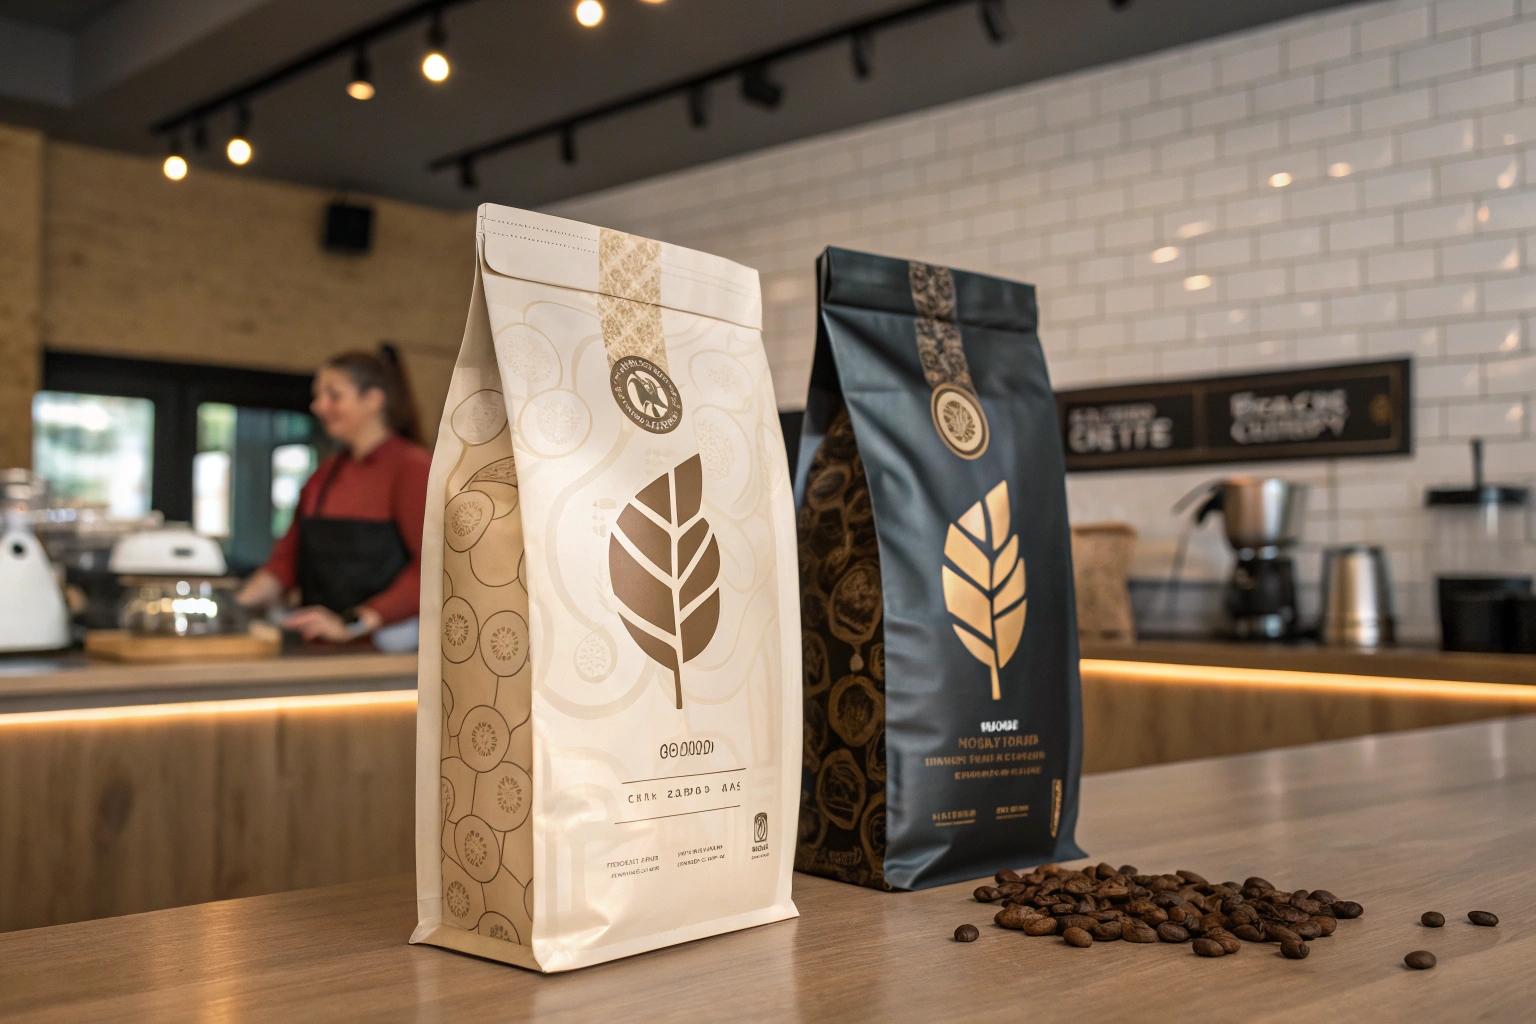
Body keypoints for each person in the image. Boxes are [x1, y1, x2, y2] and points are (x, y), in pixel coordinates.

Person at [237, 345, 430, 649]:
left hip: (390, 653)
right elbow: (285, 562)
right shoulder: (322, 476)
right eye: (318, 396)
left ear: (373, 400)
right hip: (318, 650)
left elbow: (434, 568)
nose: (318, 406)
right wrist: (232, 608)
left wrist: (353, 623)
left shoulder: (413, 468)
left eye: (333, 395)